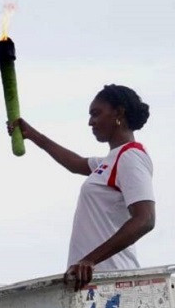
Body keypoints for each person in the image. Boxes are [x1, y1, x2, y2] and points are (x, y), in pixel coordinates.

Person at [9, 84, 155, 289]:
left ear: (119, 113)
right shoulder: (111, 160)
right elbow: (75, 163)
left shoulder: (130, 157)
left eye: (96, 114)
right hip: (92, 281)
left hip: (113, 281)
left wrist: (90, 260)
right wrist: (32, 134)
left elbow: (145, 219)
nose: (90, 122)